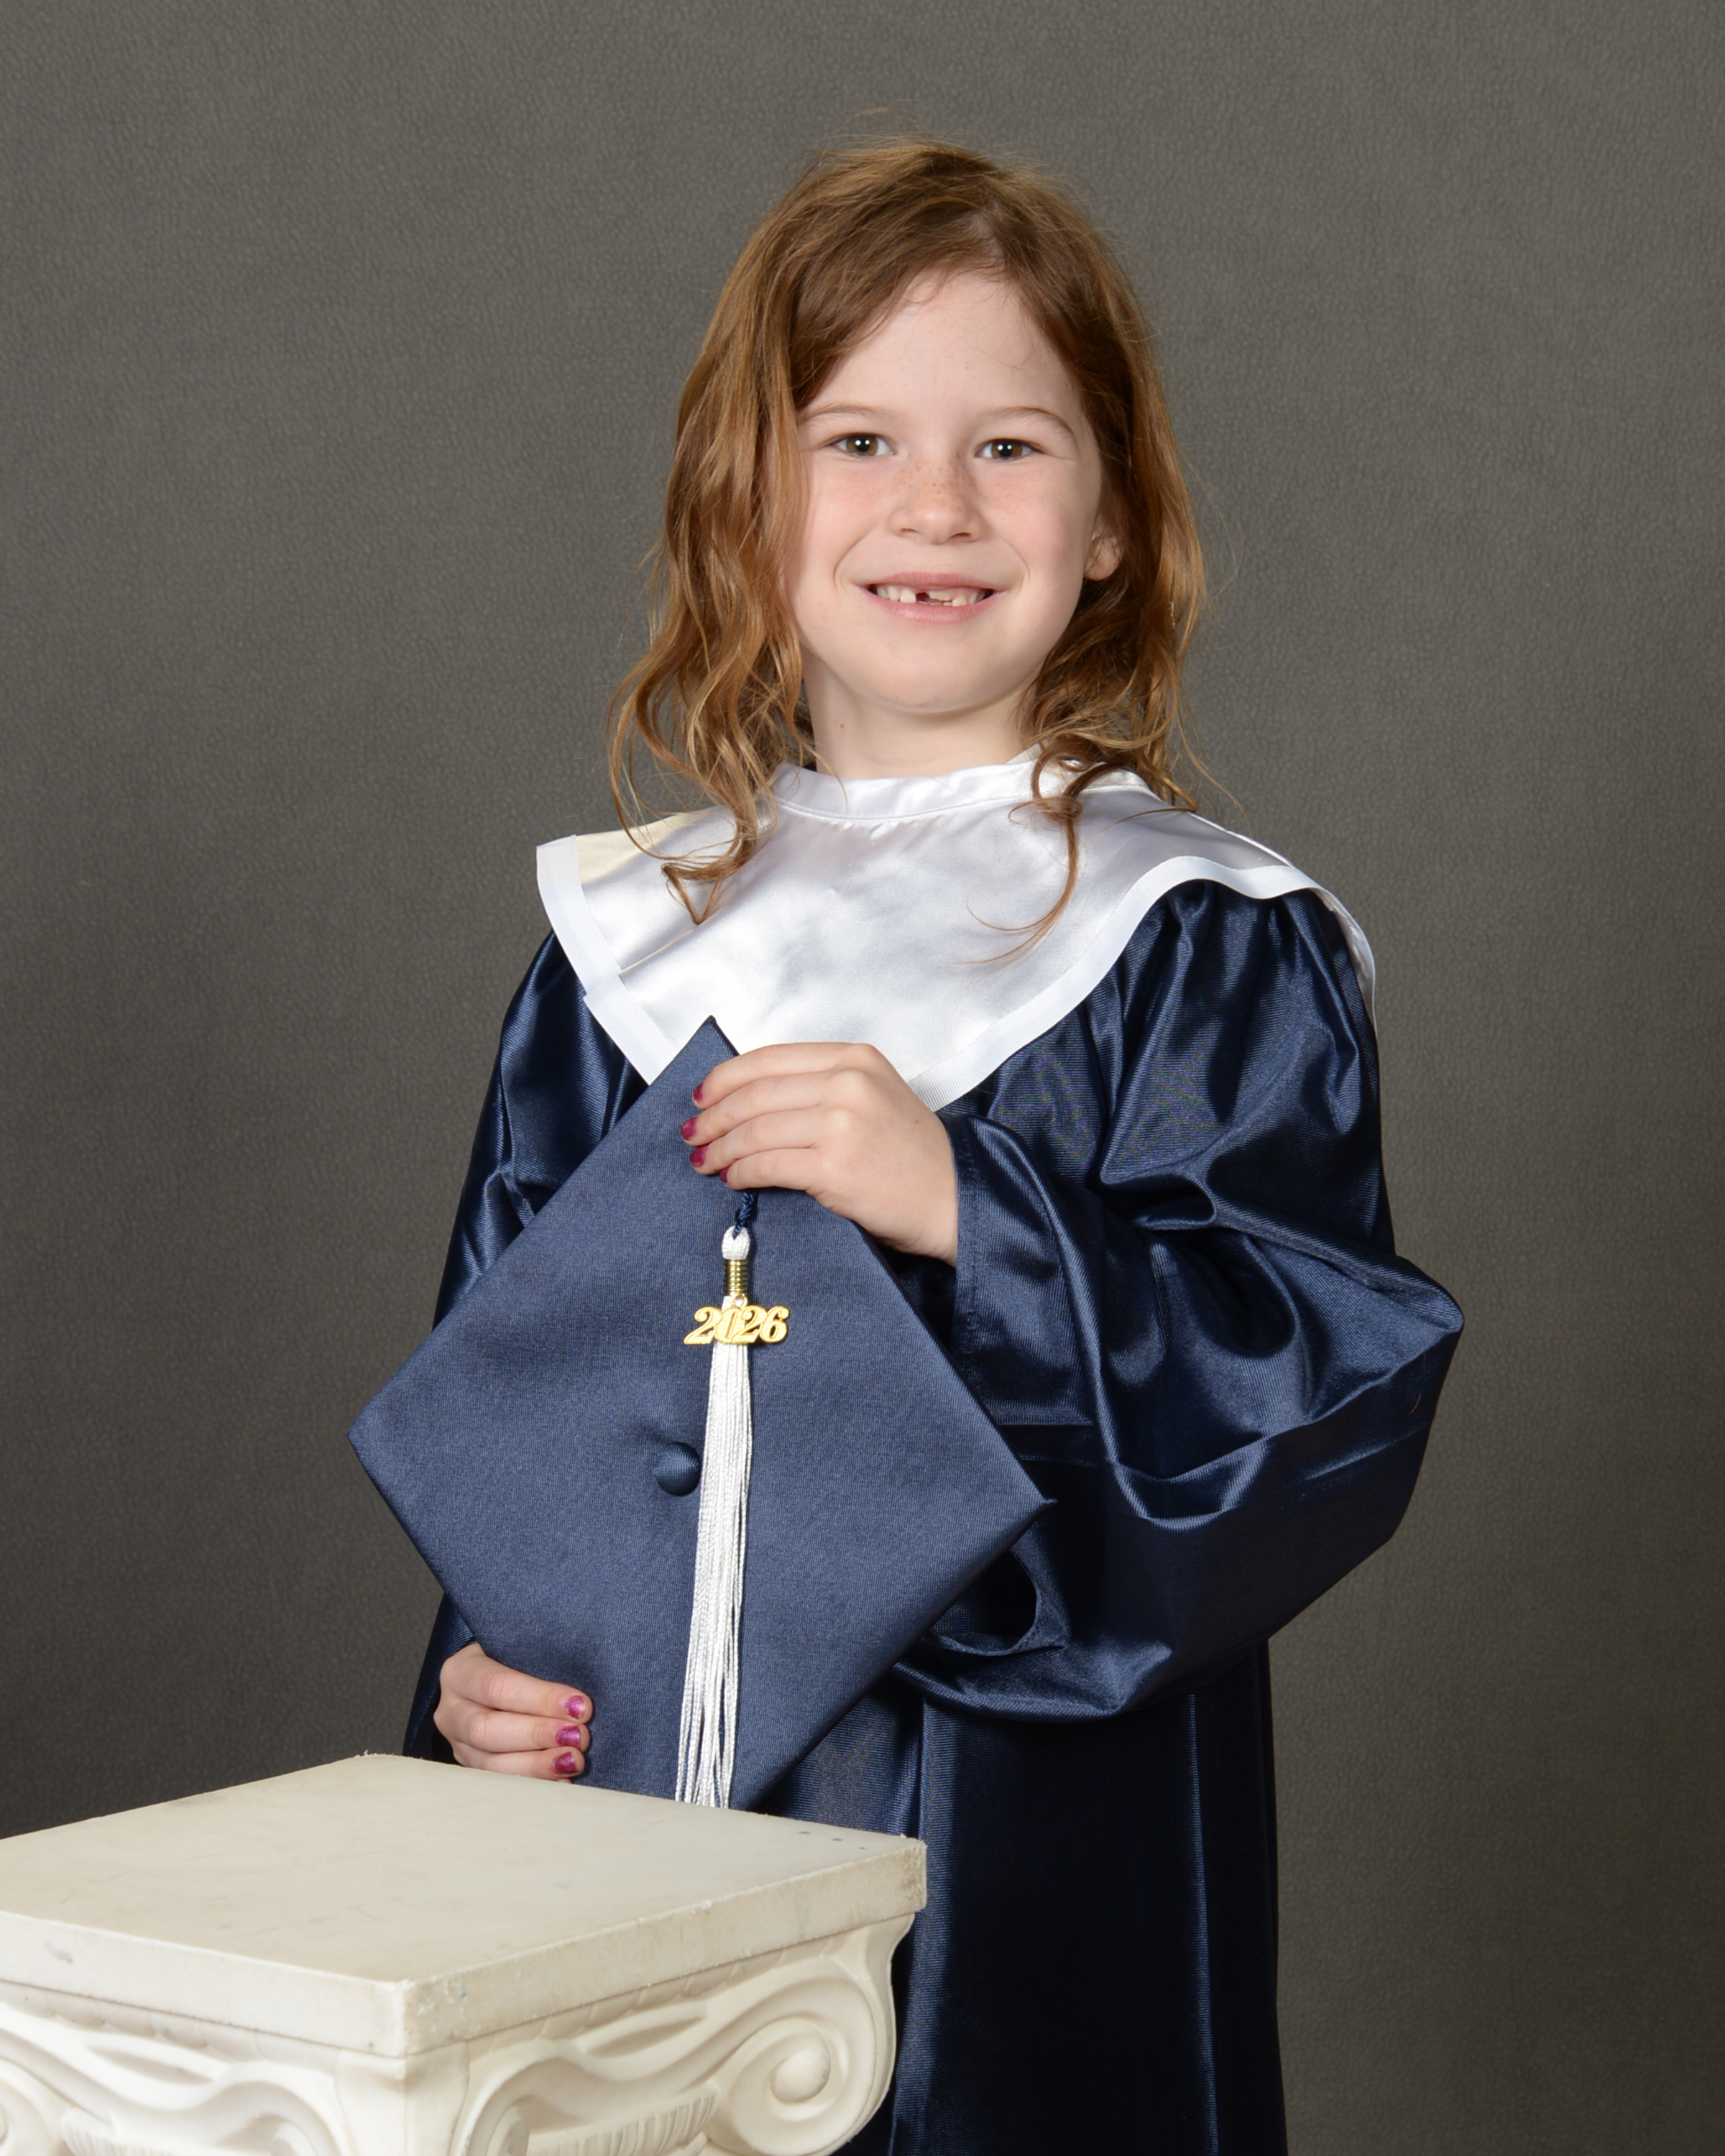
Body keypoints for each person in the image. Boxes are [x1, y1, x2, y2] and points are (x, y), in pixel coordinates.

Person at [400, 140, 1461, 2153]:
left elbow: (1311, 1391)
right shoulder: (626, 955)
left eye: (1011, 447)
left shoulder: (1199, 947)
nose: (937, 507)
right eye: (861, 439)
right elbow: (518, 1408)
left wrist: (973, 1208)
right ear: (750, 500)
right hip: (631, 1852)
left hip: (1027, 1854)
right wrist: (485, 1673)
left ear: (1116, 519)